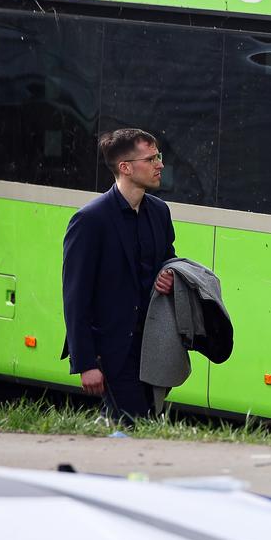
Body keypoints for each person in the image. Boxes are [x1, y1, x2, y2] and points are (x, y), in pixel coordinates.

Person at [61, 128, 176, 421]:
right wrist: (85, 362)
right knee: (134, 421)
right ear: (125, 168)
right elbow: (76, 296)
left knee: (137, 421)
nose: (160, 165)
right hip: (110, 352)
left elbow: (169, 260)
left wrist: (170, 275)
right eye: (151, 159)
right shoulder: (90, 220)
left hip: (150, 348)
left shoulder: (160, 212)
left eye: (158, 156)